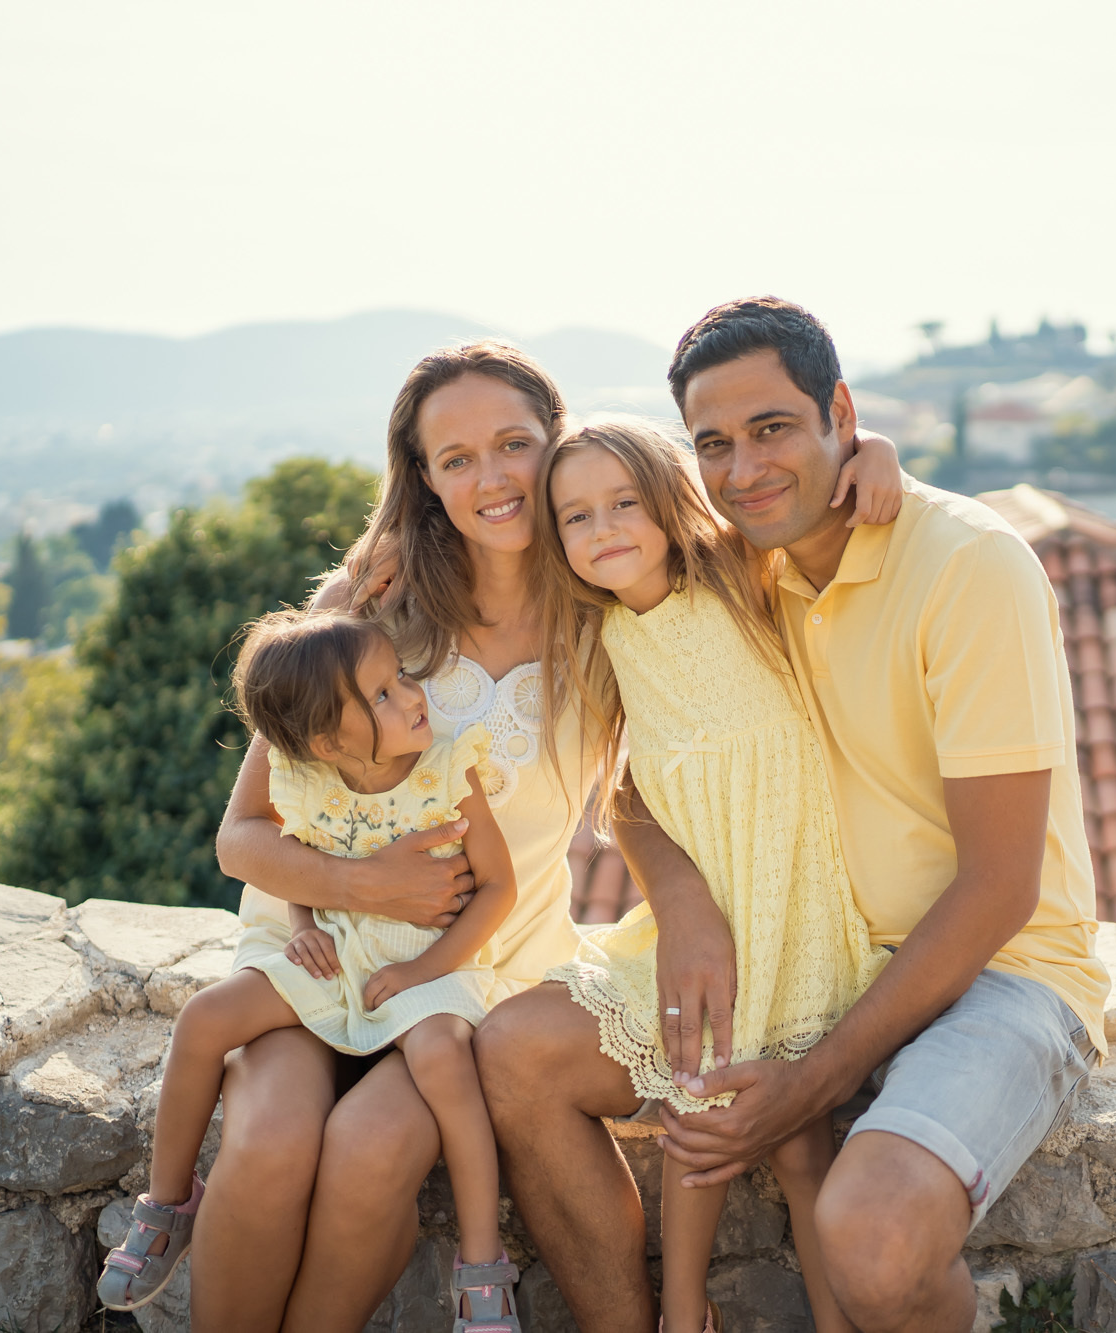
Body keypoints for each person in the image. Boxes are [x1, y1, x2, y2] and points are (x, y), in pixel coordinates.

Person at [202, 338, 899, 1332]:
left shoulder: (599, 606)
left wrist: (868, 447)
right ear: (423, 479)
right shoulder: (363, 614)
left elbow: (636, 778)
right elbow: (246, 836)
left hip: (470, 972)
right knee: (267, 1144)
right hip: (311, 953)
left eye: (514, 444)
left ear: (556, 444)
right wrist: (368, 890)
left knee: (366, 1155)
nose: (490, 477)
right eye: (455, 458)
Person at [479, 298, 1111, 1333]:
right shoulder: (741, 567)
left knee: (869, 1236)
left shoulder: (966, 567)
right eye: (713, 445)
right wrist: (677, 893)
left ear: (840, 413)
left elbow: (1001, 888)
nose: (743, 468)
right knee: (513, 1051)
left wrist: (813, 1079)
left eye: (773, 428)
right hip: (800, 946)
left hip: (999, 970)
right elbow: (645, 756)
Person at [535, 416, 898, 1333]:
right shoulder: (607, 637)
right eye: (575, 516)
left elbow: (827, 497)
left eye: (622, 502)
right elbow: (619, 788)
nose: (603, 528)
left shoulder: (739, 575)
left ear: (665, 502)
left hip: (797, 899)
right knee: (700, 1114)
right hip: (716, 914)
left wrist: (878, 450)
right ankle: (682, 1312)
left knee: (801, 1140)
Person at [101, 611, 524, 1328]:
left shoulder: (448, 767)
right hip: (335, 949)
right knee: (206, 1017)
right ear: (329, 740)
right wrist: (300, 928)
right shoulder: (307, 776)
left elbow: (498, 888)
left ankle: (481, 1268)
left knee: (444, 1059)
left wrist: (426, 969)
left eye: (399, 678)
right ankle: (169, 1203)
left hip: (429, 965)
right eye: (384, 695)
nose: (413, 695)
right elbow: (295, 858)